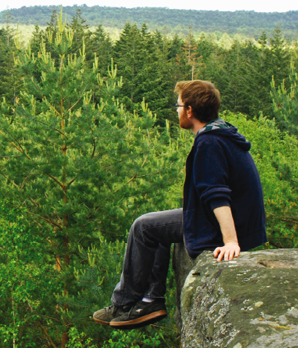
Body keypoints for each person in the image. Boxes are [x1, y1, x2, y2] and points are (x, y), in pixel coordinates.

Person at [92, 80, 267, 330]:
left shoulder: (209, 142)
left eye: (178, 105)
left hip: (225, 225)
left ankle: (124, 304)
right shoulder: (222, 132)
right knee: (157, 226)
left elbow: (217, 195)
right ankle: (151, 299)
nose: (176, 111)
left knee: (142, 227)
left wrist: (230, 242)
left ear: (190, 110)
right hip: (233, 221)